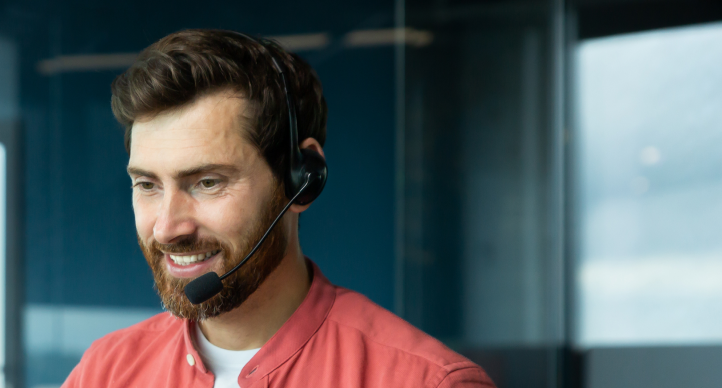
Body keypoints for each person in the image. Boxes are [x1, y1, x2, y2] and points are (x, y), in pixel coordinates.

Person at [61, 29, 496, 388]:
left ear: (303, 179)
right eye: (147, 184)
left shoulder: (426, 382)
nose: (168, 228)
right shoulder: (104, 372)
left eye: (208, 182)